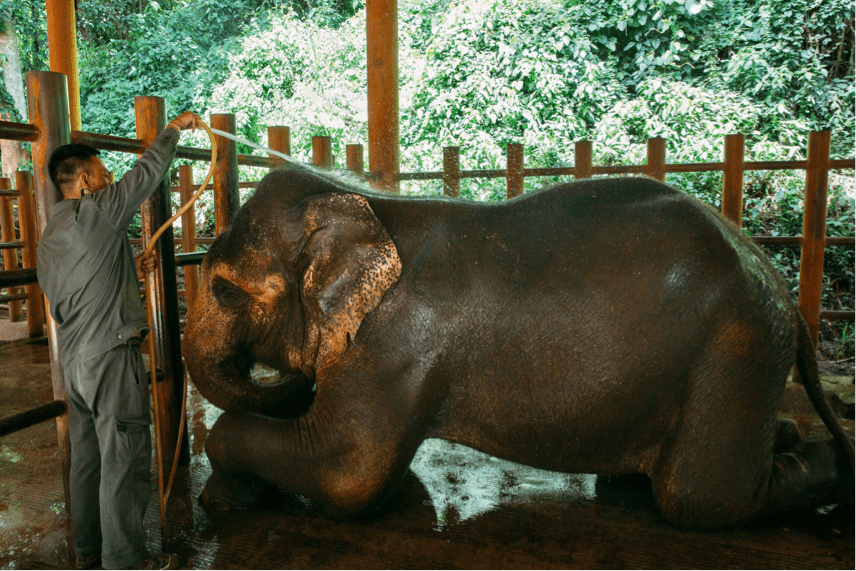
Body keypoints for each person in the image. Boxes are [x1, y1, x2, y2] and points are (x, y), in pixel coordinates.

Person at [37, 111, 200, 570]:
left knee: (88, 461)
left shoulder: (51, 236)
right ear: (86, 179)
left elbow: (81, 284)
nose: (110, 180)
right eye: (104, 174)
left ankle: (89, 553)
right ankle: (127, 562)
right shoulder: (100, 210)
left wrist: (130, 268)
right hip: (110, 357)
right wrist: (173, 129)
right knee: (124, 460)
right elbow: (146, 174)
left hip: (74, 366)